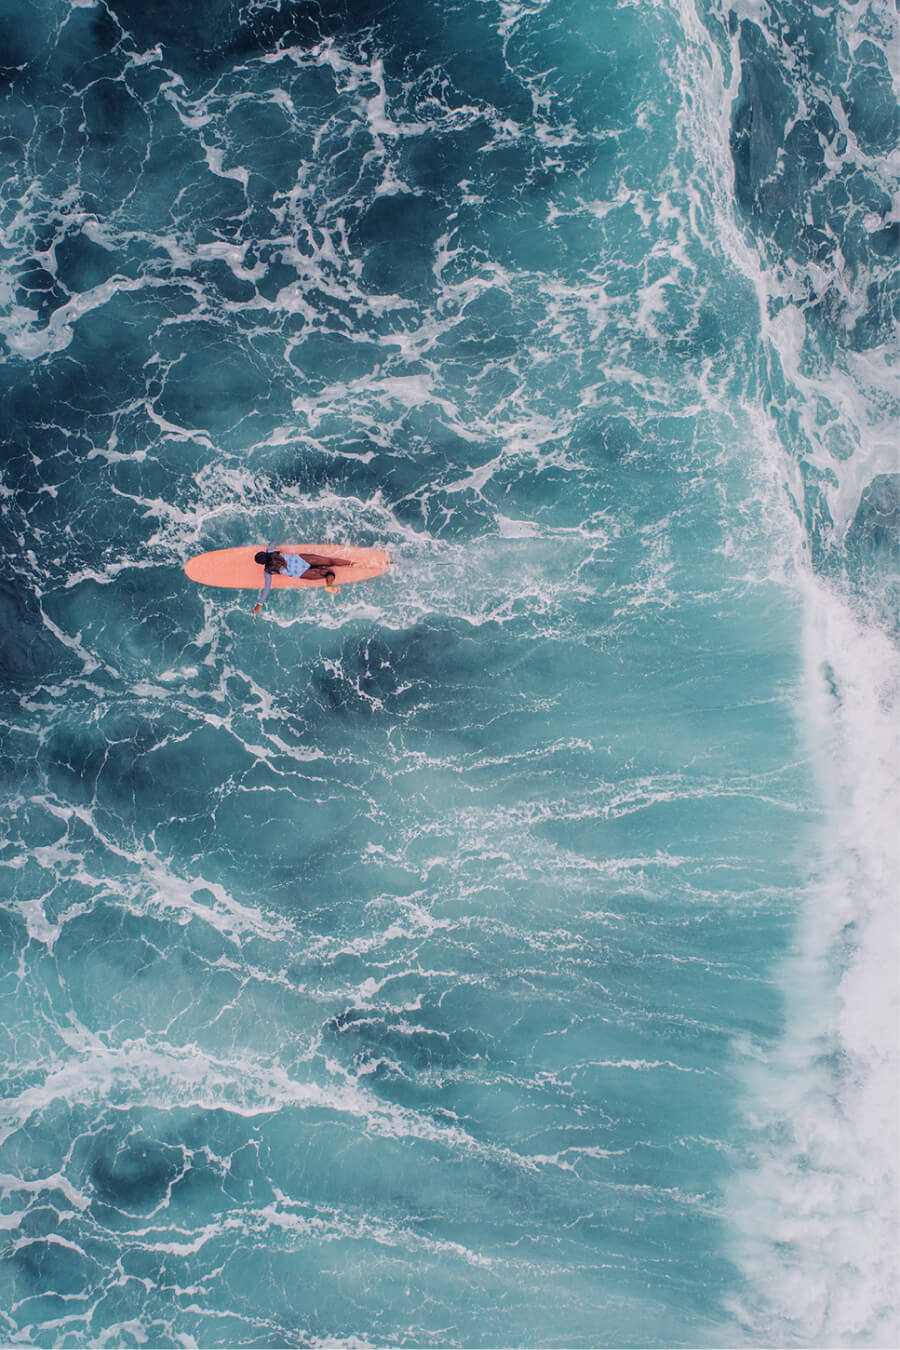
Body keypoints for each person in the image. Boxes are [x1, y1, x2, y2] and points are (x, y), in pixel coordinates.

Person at [252, 541, 341, 613]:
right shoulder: (271, 550)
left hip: (300, 573)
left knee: (329, 573)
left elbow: (267, 589)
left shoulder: (268, 571)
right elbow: (275, 541)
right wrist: (273, 543)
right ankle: (347, 566)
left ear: (262, 563)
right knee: (328, 562)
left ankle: (329, 585)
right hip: (300, 560)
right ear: (264, 553)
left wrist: (259, 604)